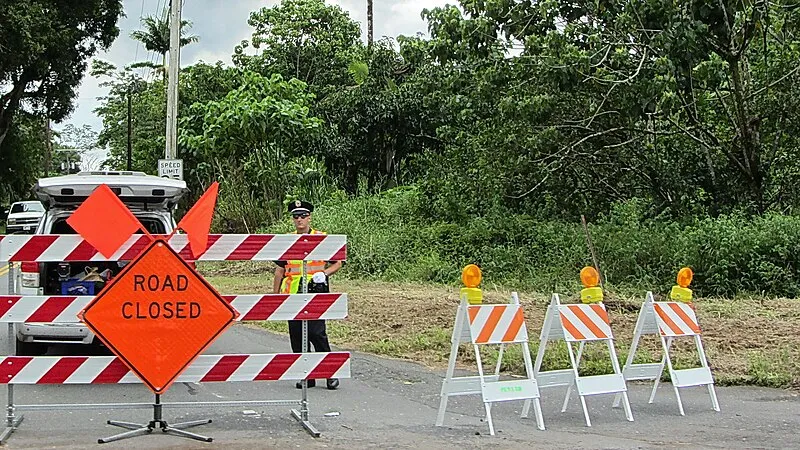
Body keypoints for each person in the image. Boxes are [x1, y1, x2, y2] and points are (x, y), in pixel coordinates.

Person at [273, 200, 343, 390]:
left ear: (309, 217)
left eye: (303, 216)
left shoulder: (321, 238)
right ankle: (307, 375)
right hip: (292, 291)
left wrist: (324, 274)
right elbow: (280, 270)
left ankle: (329, 373)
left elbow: (338, 263)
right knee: (297, 335)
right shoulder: (287, 240)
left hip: (316, 289)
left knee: (316, 332)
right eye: (296, 216)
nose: (299, 220)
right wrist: (274, 296)